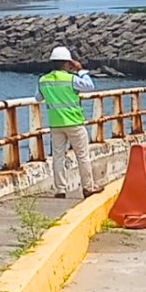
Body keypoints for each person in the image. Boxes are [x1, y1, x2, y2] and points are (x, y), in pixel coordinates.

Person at [37, 46, 102, 198]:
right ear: (67, 64)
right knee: (82, 156)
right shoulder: (71, 79)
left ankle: (60, 190)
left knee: (58, 157)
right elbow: (89, 86)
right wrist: (81, 71)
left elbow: (38, 98)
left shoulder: (43, 80)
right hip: (74, 122)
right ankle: (88, 187)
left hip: (55, 123)